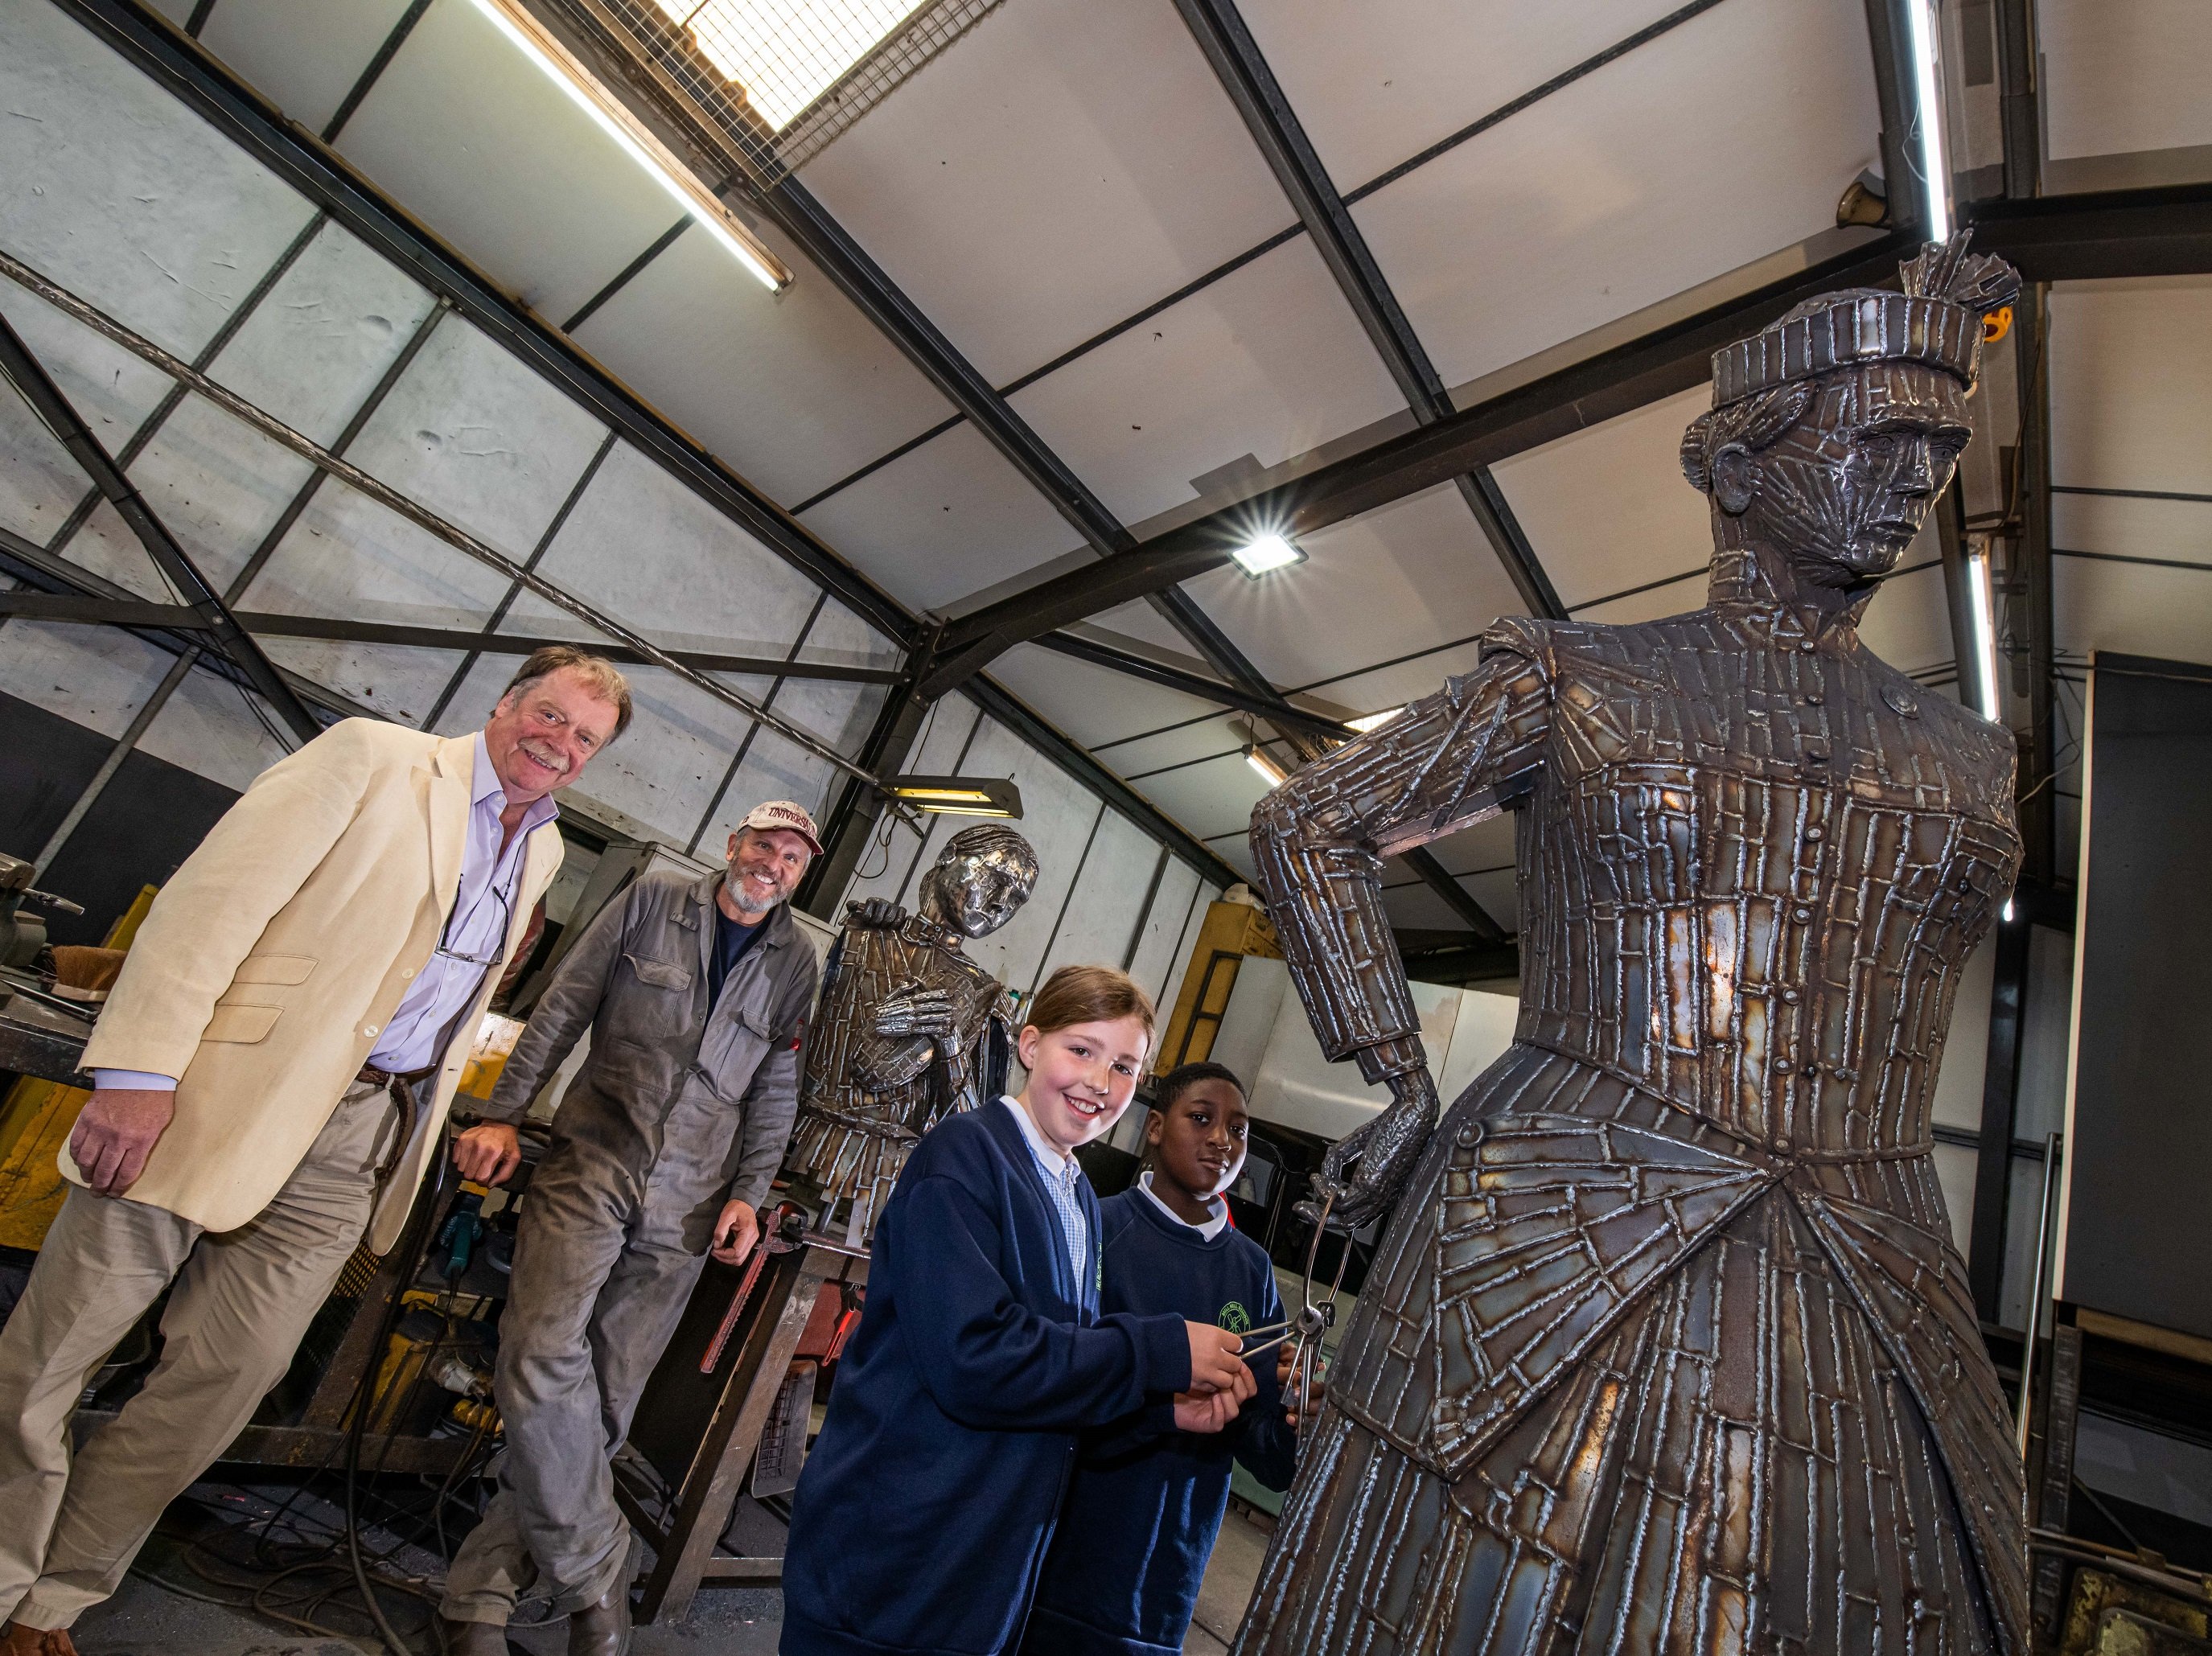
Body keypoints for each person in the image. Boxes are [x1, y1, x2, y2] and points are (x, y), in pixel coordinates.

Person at [1234, 236, 2030, 1653]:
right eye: (1879, 433)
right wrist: (1395, 1068)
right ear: (1734, 463)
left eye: (1941, 444)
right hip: (1561, 1209)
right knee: (1451, 1594)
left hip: (1872, 1261)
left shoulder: (1969, 754)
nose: (1916, 473)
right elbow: (1313, 823)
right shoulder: (1581, 676)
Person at [0, 645, 629, 1655]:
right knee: (51, 1355)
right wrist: (138, 1077)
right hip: (218, 1095)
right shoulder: (374, 757)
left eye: (582, 736)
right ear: (504, 704)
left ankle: (56, 1594)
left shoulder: (542, 851)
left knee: (224, 1381)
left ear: (592, 760)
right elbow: (212, 903)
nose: (556, 741)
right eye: (546, 713)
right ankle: (1, 1582)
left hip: (360, 1135)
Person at [437, 799, 827, 1656]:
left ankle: (478, 1603)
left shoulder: (796, 959)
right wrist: (502, 1113)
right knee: (538, 1353)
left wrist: (749, 1193)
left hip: (690, 1202)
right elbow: (563, 1008)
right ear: (732, 844)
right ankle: (593, 1568)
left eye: (792, 857)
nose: (772, 862)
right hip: (593, 1160)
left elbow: (773, 1088)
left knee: (606, 1403)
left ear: (801, 874)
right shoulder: (652, 900)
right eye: (763, 843)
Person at [780, 967, 1255, 1656]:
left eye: (1124, 1065)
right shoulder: (964, 1158)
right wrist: (1157, 1351)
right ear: (1031, 1044)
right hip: (895, 1559)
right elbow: (975, 1356)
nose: (1100, 1081)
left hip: (981, 1568)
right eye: (1082, 1050)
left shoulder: (1080, 1197)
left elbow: (1060, 1362)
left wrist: (1159, 1408)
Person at [1023, 1061, 1302, 1656]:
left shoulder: (1252, 1272)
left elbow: (1265, 1450)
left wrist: (1300, 1418)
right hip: (1059, 1566)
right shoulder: (1095, 1228)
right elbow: (1052, 1391)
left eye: (1238, 1128)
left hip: (1164, 1594)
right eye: (1200, 1118)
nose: (1222, 1139)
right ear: (1154, 1126)